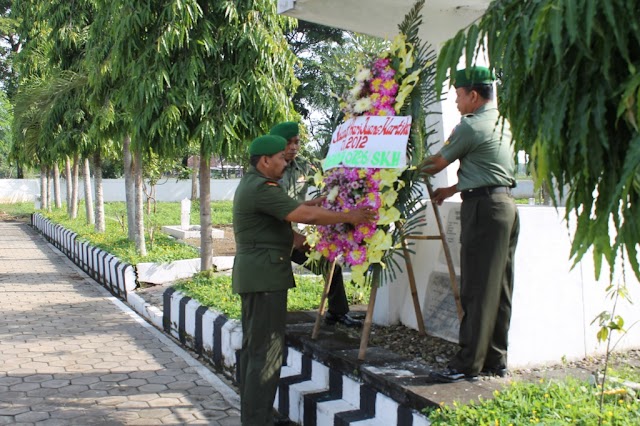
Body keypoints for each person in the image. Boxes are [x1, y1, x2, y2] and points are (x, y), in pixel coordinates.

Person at [232, 134, 375, 426]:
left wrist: (315, 209)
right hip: (265, 279)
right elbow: (303, 215)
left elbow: (283, 220)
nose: (286, 163)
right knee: (267, 354)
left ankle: (254, 415)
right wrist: (350, 215)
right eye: (282, 159)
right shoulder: (261, 188)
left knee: (255, 349)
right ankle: (256, 421)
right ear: (265, 160)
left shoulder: (255, 185)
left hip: (258, 276)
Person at [420, 66, 520, 383]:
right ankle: (495, 359)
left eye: (459, 95)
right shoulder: (503, 123)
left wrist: (401, 163)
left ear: (473, 95)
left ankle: (467, 364)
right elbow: (485, 167)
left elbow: (436, 163)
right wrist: (451, 190)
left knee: (476, 287)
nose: (456, 103)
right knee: (500, 287)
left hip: (483, 210)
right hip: (505, 206)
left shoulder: (469, 126)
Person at [269, 121, 362, 328]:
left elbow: (322, 182)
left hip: (297, 232)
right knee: (276, 281)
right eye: (288, 143)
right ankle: (273, 322)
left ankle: (337, 312)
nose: (293, 147)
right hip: (274, 237)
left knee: (330, 266)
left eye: (297, 142)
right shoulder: (269, 171)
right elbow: (277, 211)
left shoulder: (303, 166)